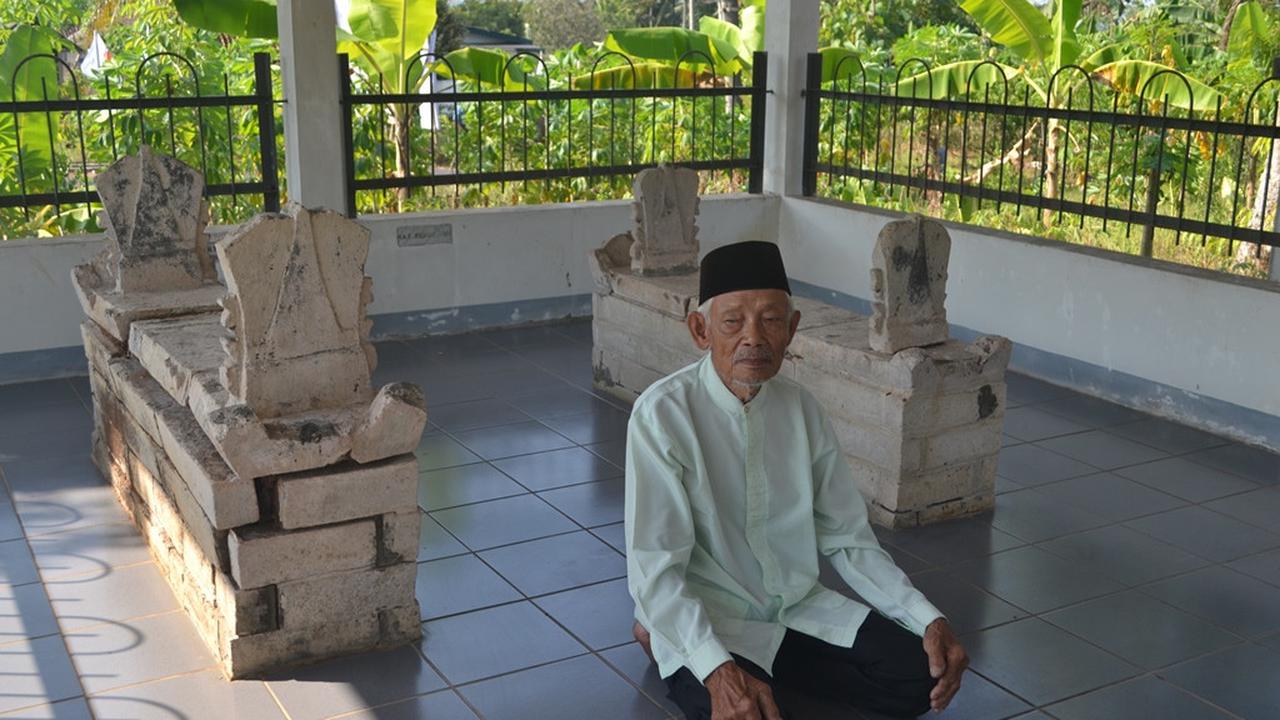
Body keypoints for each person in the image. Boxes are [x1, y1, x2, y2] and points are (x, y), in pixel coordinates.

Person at [624, 241, 967, 720]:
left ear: (792, 329)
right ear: (700, 330)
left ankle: (764, 677)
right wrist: (716, 668)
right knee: (741, 709)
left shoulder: (802, 411)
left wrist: (926, 617)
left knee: (920, 676)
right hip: (712, 619)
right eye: (732, 321)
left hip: (796, 611)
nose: (754, 338)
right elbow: (655, 570)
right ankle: (668, 640)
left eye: (770, 319)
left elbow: (848, 540)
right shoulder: (662, 415)